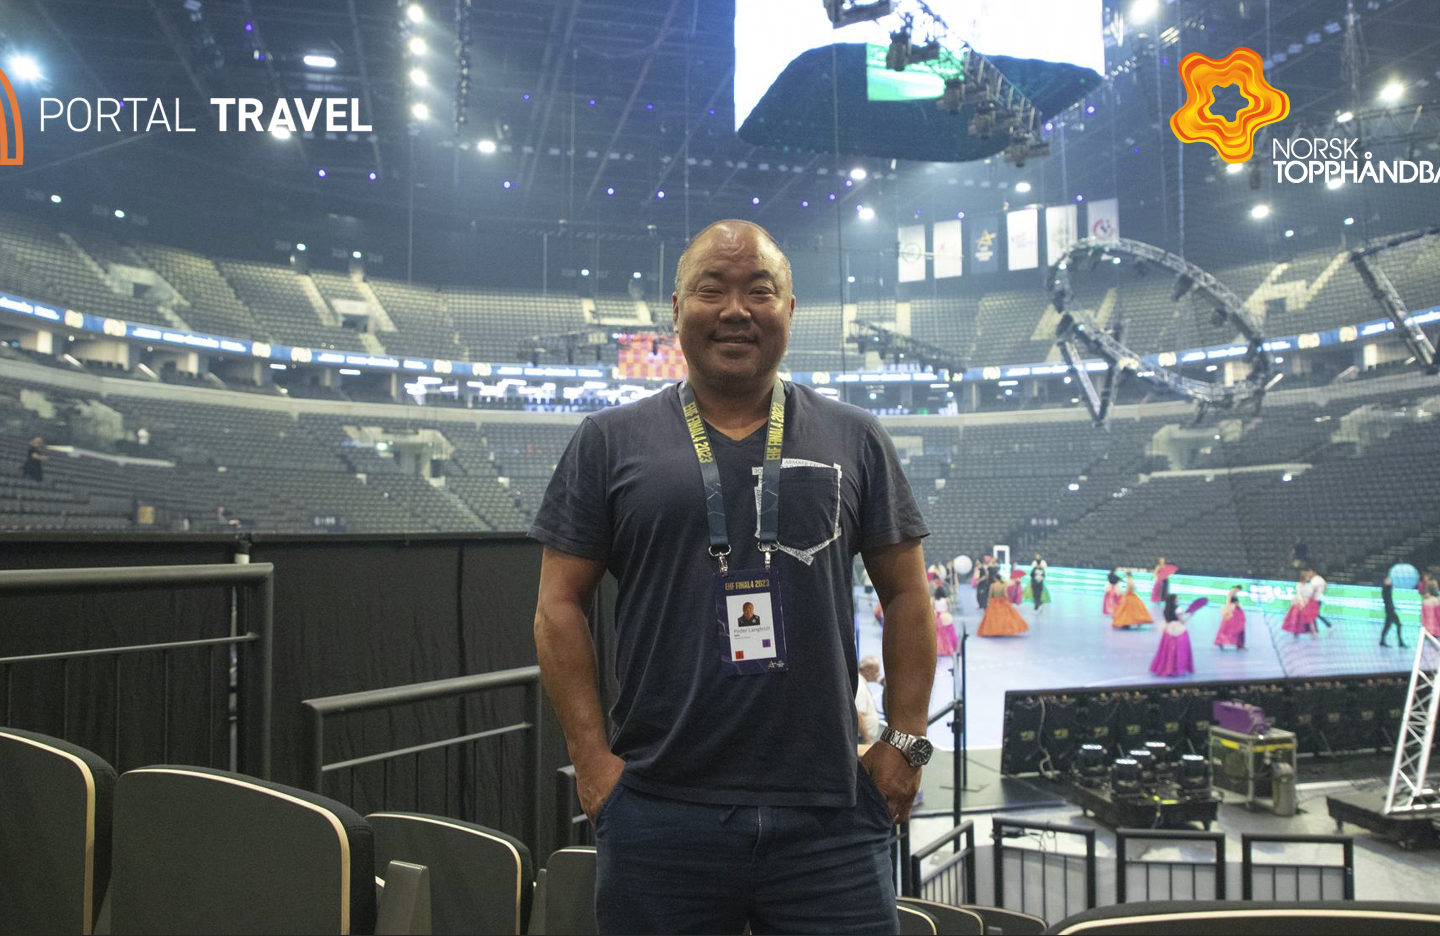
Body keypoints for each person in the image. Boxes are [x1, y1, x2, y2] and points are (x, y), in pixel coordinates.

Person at [530, 219, 934, 935]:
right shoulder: (608, 441)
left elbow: (907, 594)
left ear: (790, 309)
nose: (736, 310)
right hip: (658, 809)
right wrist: (592, 763)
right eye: (711, 290)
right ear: (676, 310)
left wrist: (904, 745)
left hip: (831, 817)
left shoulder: (857, 437)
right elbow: (558, 606)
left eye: (760, 291)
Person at [1151, 594, 1195, 677]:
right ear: (1174, 600)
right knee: (1179, 650)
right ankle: (1177, 668)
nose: (1178, 599)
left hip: (1168, 631)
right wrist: (1191, 615)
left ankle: (1167, 668)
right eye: (1177, 598)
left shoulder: (1166, 609)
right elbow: (1182, 622)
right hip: (1179, 631)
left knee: (1167, 651)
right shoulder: (1178, 609)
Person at [1281, 570, 1317, 638]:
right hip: (1299, 603)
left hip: (1307, 602)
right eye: (1307, 576)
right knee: (1296, 618)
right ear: (1304, 577)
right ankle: (1296, 632)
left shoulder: (1309, 585)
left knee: (1309, 619)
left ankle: (1313, 633)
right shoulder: (1299, 584)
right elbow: (1299, 594)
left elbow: (1310, 594)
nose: (1308, 578)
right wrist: (1301, 603)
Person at [856, 657, 882, 745]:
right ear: (867, 670)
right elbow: (859, 715)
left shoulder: (861, 682)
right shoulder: (860, 684)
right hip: (862, 739)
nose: (878, 674)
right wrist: (867, 740)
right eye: (876, 671)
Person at [1214, 585, 1247, 649]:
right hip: (1232, 612)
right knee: (1227, 628)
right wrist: (1228, 612)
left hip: (1237, 612)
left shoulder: (1234, 594)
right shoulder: (1231, 593)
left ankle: (1239, 644)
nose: (1238, 591)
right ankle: (1221, 641)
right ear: (1237, 588)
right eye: (1238, 589)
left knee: (1239, 628)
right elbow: (1228, 603)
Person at [1380, 575, 1407, 648]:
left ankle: (1382, 641)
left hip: (1390, 610)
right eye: (1388, 580)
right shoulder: (1385, 590)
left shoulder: (1387, 589)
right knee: (1398, 625)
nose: (1389, 581)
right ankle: (1400, 642)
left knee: (1387, 626)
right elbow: (1387, 600)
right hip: (1390, 611)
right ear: (1384, 581)